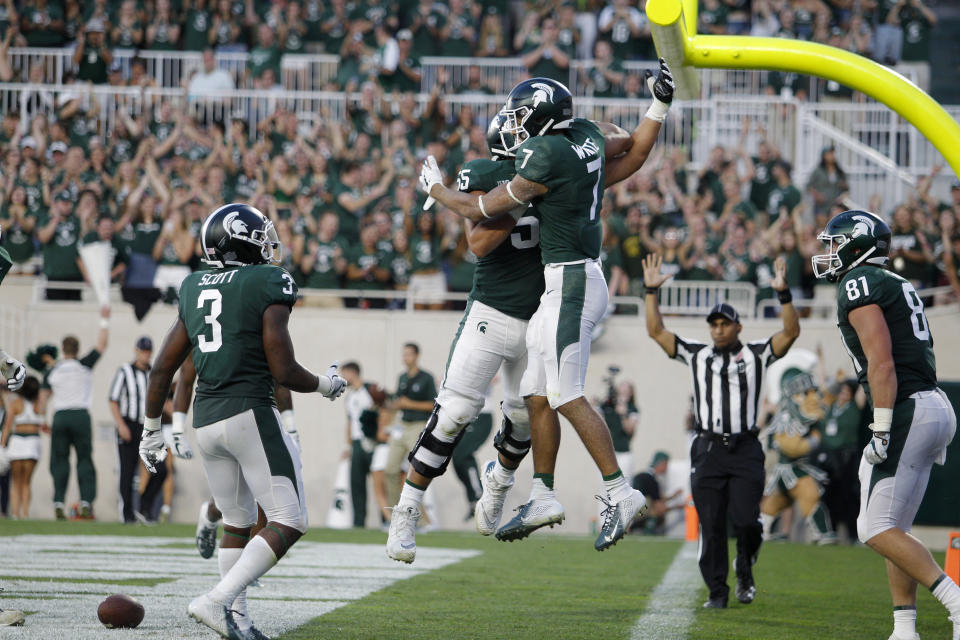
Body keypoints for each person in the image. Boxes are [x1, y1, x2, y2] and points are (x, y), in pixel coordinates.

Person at [419, 60, 676, 552]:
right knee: (536, 393)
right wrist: (659, 104)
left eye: (519, 115)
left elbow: (479, 211)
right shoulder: (587, 133)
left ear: (538, 118)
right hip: (571, 277)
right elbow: (637, 150)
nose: (513, 123)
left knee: (564, 393)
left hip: (570, 277)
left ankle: (620, 492)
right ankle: (541, 493)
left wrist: (435, 189)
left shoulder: (544, 154)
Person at [137, 203, 346, 639]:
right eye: (260, 232)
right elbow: (283, 369)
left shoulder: (194, 285)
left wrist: (152, 429)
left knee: (236, 520)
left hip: (206, 420)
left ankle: (238, 618)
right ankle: (216, 600)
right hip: (249, 411)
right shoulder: (267, 281)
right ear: (240, 239)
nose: (267, 239)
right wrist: (326, 385)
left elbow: (161, 369)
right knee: (290, 520)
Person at [812, 209, 960, 640]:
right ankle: (904, 628)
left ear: (858, 246)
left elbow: (881, 362)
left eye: (835, 244)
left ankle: (955, 600)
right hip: (931, 403)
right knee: (895, 528)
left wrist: (880, 427)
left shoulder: (858, 284)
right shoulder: (895, 282)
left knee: (873, 528)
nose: (829, 253)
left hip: (908, 406)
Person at [643, 253, 799, 608]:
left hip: (745, 447)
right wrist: (650, 291)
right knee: (710, 525)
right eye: (713, 324)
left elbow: (791, 332)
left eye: (725, 324)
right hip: (709, 448)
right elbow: (656, 331)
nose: (718, 329)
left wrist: (784, 294)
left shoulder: (757, 354)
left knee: (747, 521)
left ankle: (744, 566)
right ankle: (717, 592)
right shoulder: (698, 355)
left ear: (738, 327)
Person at [38, 306, 110, 520]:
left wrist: (43, 419)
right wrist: (104, 321)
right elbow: (101, 345)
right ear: (77, 349)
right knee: (84, 460)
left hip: (60, 416)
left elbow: (43, 397)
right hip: (80, 415)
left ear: (63, 349)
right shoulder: (84, 364)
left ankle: (59, 501)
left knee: (59, 461)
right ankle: (86, 501)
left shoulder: (53, 370)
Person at [760, 368, 837, 545]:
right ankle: (822, 532)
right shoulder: (786, 419)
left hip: (789, 470)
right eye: (806, 393)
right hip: (792, 470)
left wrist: (835, 386)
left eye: (812, 392)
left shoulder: (803, 416)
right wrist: (815, 440)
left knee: (776, 502)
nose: (812, 397)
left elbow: (824, 403)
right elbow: (794, 448)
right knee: (810, 495)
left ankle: (763, 530)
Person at [383, 343, 436, 509]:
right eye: (404, 354)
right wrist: (382, 401)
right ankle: (394, 515)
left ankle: (415, 517)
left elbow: (432, 405)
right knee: (390, 470)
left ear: (417, 355)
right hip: (401, 425)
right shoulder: (402, 377)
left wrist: (409, 404)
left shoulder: (426, 377)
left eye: (409, 354)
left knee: (416, 471)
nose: (406, 358)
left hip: (418, 425)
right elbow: (397, 402)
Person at [108, 336, 153, 524]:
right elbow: (113, 399)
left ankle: (144, 506)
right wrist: (121, 425)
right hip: (128, 424)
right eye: (143, 351)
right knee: (127, 471)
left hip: (148, 427)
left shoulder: (153, 373)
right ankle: (127, 515)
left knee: (160, 469)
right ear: (136, 351)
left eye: (148, 351)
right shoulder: (125, 371)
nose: (145, 355)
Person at [341, 361, 389, 529]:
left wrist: (380, 435)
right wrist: (348, 446)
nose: (342, 378)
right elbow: (349, 422)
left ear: (352, 372)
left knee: (380, 484)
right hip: (357, 443)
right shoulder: (349, 397)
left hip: (373, 443)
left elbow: (385, 409)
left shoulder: (371, 390)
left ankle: (386, 521)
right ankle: (359, 524)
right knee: (357, 484)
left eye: (344, 374)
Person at [1, 376, 44, 519]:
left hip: (17, 442)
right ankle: (24, 514)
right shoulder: (38, 404)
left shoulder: (16, 403)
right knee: (26, 482)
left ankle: (15, 513)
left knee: (16, 481)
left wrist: (2, 445)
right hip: (32, 442)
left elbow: (7, 425)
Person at [631, 451, 683, 534]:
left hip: (630, 508)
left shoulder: (646, 475)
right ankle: (648, 531)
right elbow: (659, 506)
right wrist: (678, 507)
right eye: (666, 465)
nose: (666, 468)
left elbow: (658, 498)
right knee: (658, 510)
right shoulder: (651, 479)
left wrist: (674, 496)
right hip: (636, 510)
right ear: (661, 464)